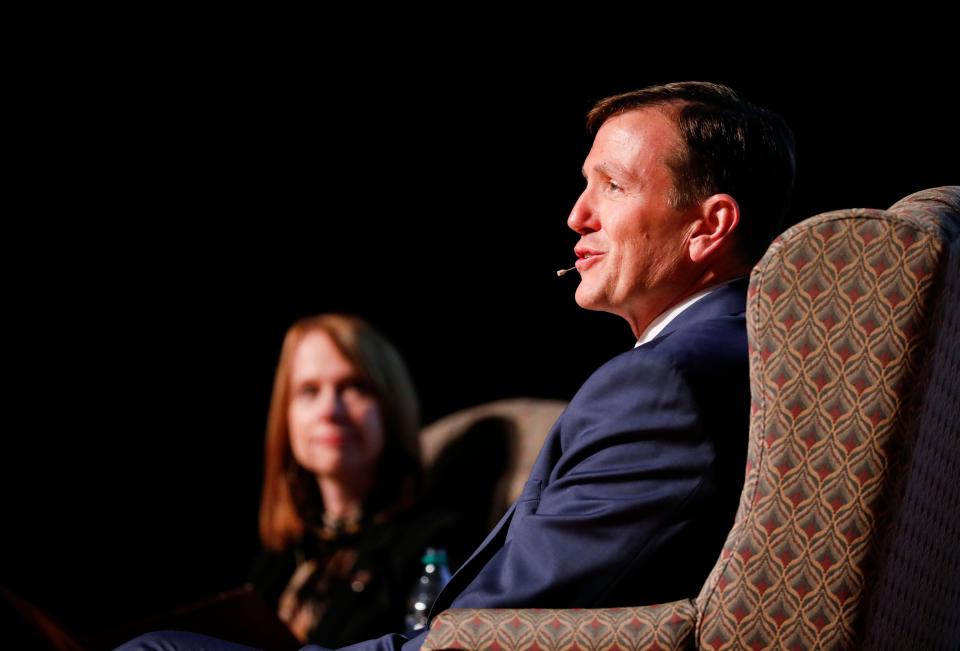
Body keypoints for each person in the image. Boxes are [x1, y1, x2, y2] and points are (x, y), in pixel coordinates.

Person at [117, 81, 796, 651]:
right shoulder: (732, 353)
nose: (575, 215)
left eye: (611, 186)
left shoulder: (666, 381)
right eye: (584, 185)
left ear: (708, 226)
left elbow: (501, 626)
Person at [248, 314, 470, 646]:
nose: (330, 411)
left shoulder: (437, 544)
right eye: (309, 391)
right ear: (286, 416)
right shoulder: (281, 553)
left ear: (389, 406)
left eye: (354, 387)